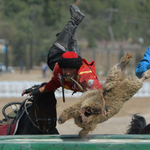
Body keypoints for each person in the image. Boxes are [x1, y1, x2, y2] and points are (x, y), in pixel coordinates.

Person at [22, 4, 108, 115]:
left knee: (52, 55)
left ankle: (74, 22)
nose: (66, 72)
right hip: (69, 61)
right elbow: (53, 84)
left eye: (70, 69)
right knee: (63, 56)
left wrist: (103, 104)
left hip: (60, 59)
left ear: (76, 69)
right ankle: (71, 39)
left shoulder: (85, 77)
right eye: (65, 69)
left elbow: (98, 90)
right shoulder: (61, 72)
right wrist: (36, 91)